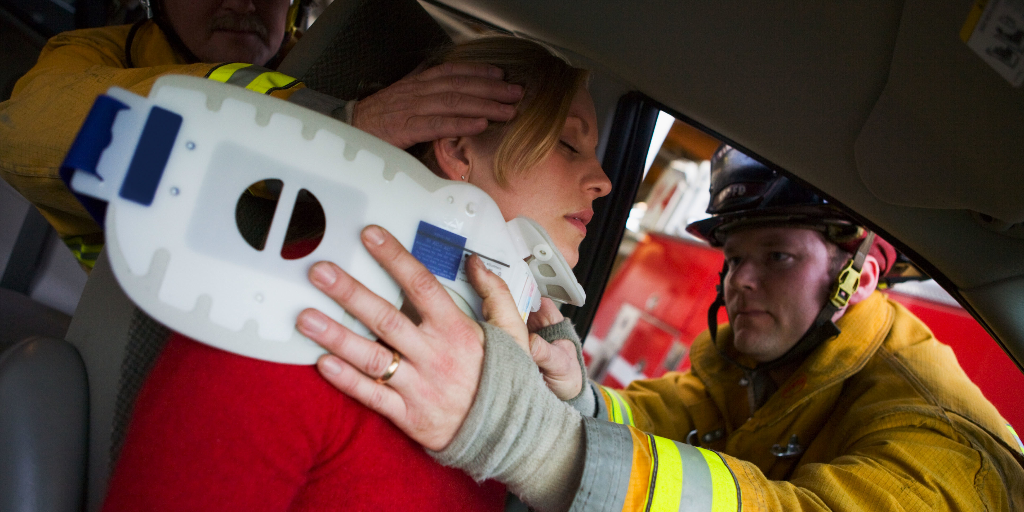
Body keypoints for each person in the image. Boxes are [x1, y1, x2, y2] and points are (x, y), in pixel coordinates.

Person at [302, 145, 1024, 511]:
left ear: (859, 277)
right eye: (736, 258)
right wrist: (576, 396)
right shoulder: (754, 367)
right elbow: (665, 418)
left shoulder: (943, 439)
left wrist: (532, 440)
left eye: (776, 257)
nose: (740, 281)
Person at [101, 35, 612, 511]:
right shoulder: (286, 313)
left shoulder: (503, 389)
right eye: (568, 145)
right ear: (458, 149)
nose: (604, 182)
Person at [0, 0, 523, 269]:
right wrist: (331, 129)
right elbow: (26, 129)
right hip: (142, 326)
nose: (244, 3)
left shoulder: (347, 69)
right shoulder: (93, 56)